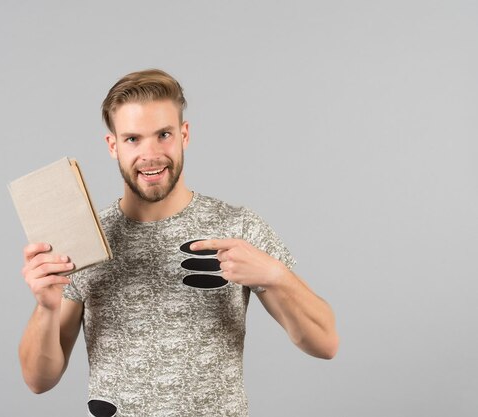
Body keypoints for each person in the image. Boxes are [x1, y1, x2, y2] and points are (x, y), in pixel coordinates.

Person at [18, 69, 339, 416]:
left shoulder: (236, 226)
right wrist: (46, 307)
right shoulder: (86, 238)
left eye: (163, 134)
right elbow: (39, 380)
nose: (151, 154)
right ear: (113, 146)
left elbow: (325, 343)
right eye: (133, 139)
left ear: (184, 135)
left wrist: (275, 275)